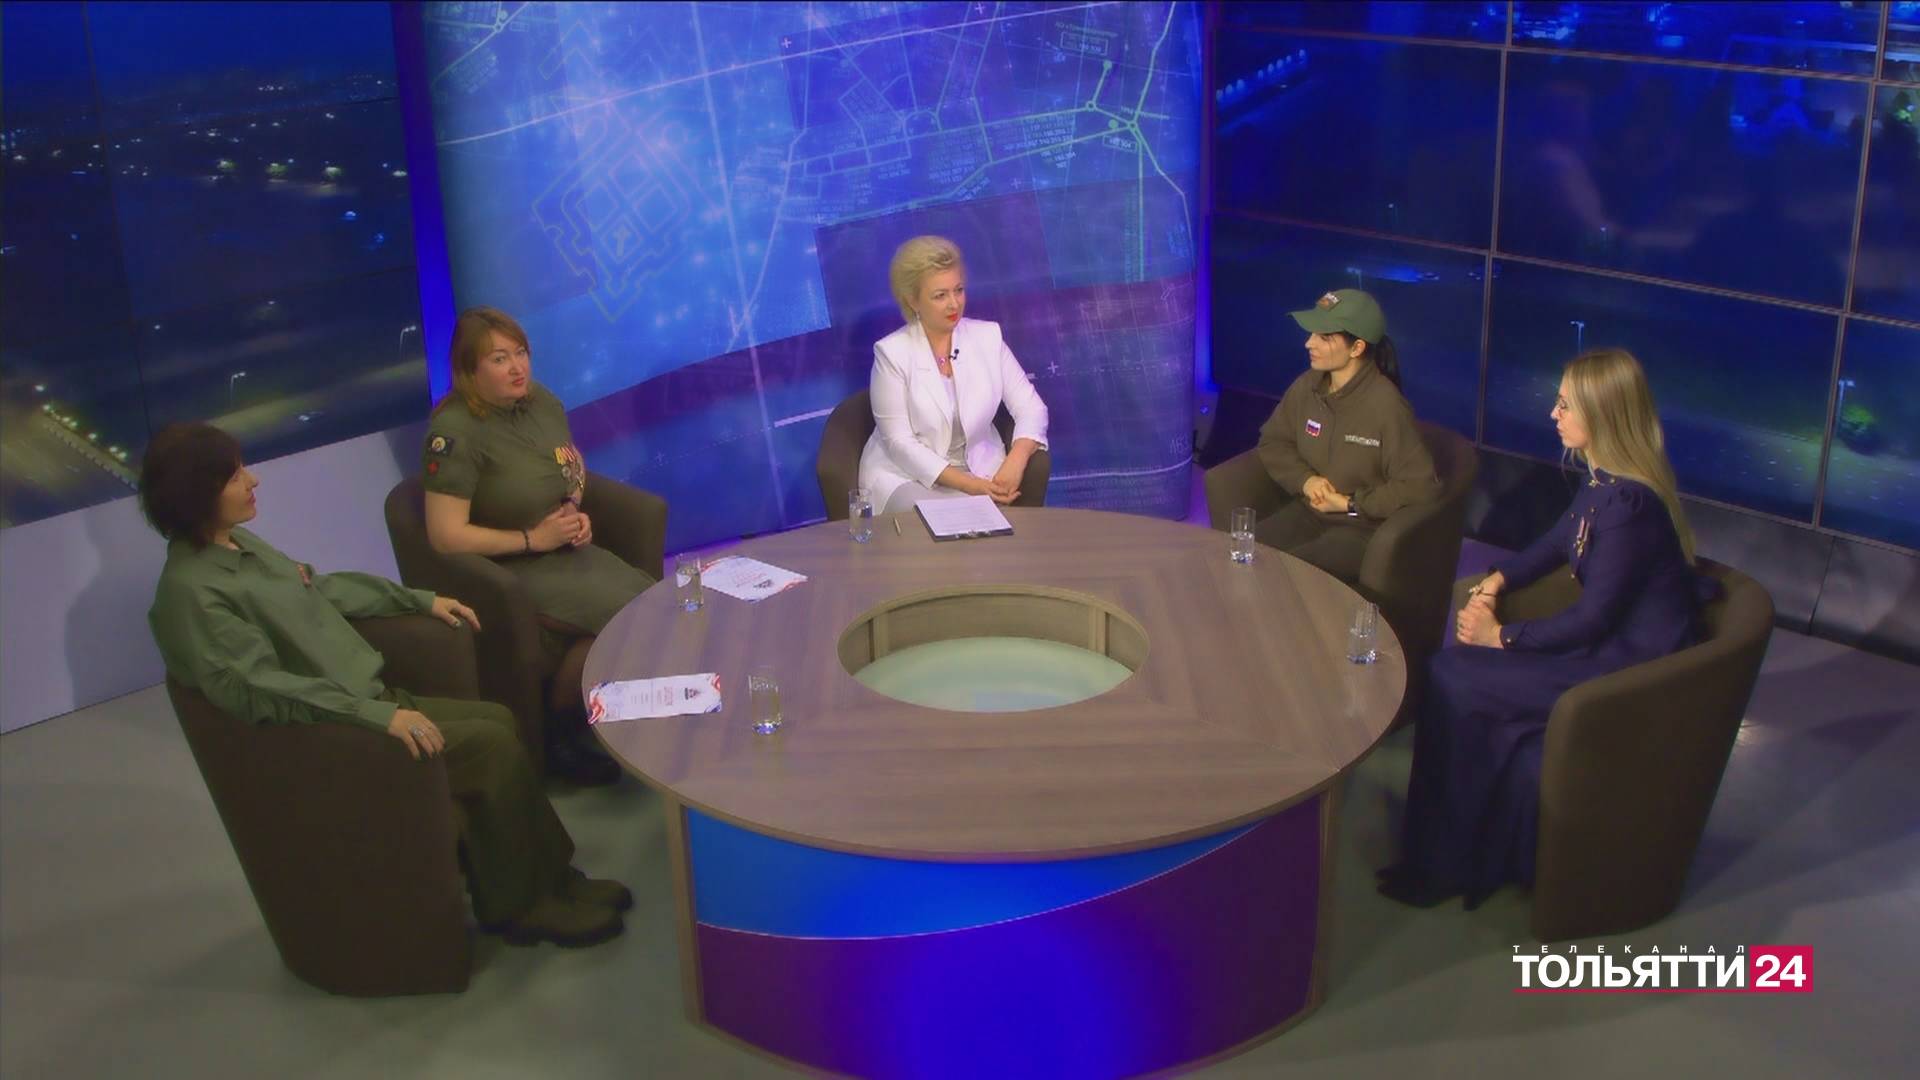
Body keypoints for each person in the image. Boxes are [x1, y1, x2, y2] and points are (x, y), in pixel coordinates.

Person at [143, 422, 630, 947]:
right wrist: (379, 717)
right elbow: (262, 689)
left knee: (498, 720)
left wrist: (419, 600)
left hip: (365, 697)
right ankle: (523, 907)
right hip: (337, 730)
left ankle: (548, 877)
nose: (252, 480)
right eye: (234, 476)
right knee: (490, 745)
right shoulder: (193, 595)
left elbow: (319, 588)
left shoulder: (237, 543)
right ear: (198, 495)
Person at [1378, 348, 1712, 909]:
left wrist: (1500, 637)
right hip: (1602, 649)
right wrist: (1498, 579)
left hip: (1623, 669)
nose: (1553, 414)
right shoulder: (1600, 483)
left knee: (1454, 675)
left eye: (1565, 405)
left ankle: (1448, 863)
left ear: (1603, 415)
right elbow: (1557, 543)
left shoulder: (1629, 506)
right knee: (1450, 672)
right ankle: (1444, 854)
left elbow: (1593, 619)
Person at [421, 307, 654, 786]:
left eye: (521, 353)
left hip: (561, 550)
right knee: (630, 616)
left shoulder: (539, 401)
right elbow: (444, 535)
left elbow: (572, 464)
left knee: (650, 601)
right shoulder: (454, 432)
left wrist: (572, 507)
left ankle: (579, 721)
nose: (517, 367)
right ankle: (559, 738)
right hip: (509, 567)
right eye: (499, 359)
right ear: (469, 370)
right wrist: (532, 539)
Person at [1252, 288, 1440, 582]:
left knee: (1290, 577)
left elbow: (1421, 485)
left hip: (1360, 528)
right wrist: (1305, 480)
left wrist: (1350, 504)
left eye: (1324, 337)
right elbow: (1274, 441)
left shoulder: (1387, 406)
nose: (1308, 343)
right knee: (1243, 553)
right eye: (1312, 334)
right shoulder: (1307, 386)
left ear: (1357, 348)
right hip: (1308, 513)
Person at [859, 235, 1050, 516]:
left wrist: (1016, 460)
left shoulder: (987, 337)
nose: (954, 304)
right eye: (940, 295)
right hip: (908, 475)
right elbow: (899, 443)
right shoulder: (892, 353)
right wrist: (969, 486)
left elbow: (1032, 408)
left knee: (981, 522)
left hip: (981, 468)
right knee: (944, 518)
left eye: (958, 291)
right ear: (913, 301)